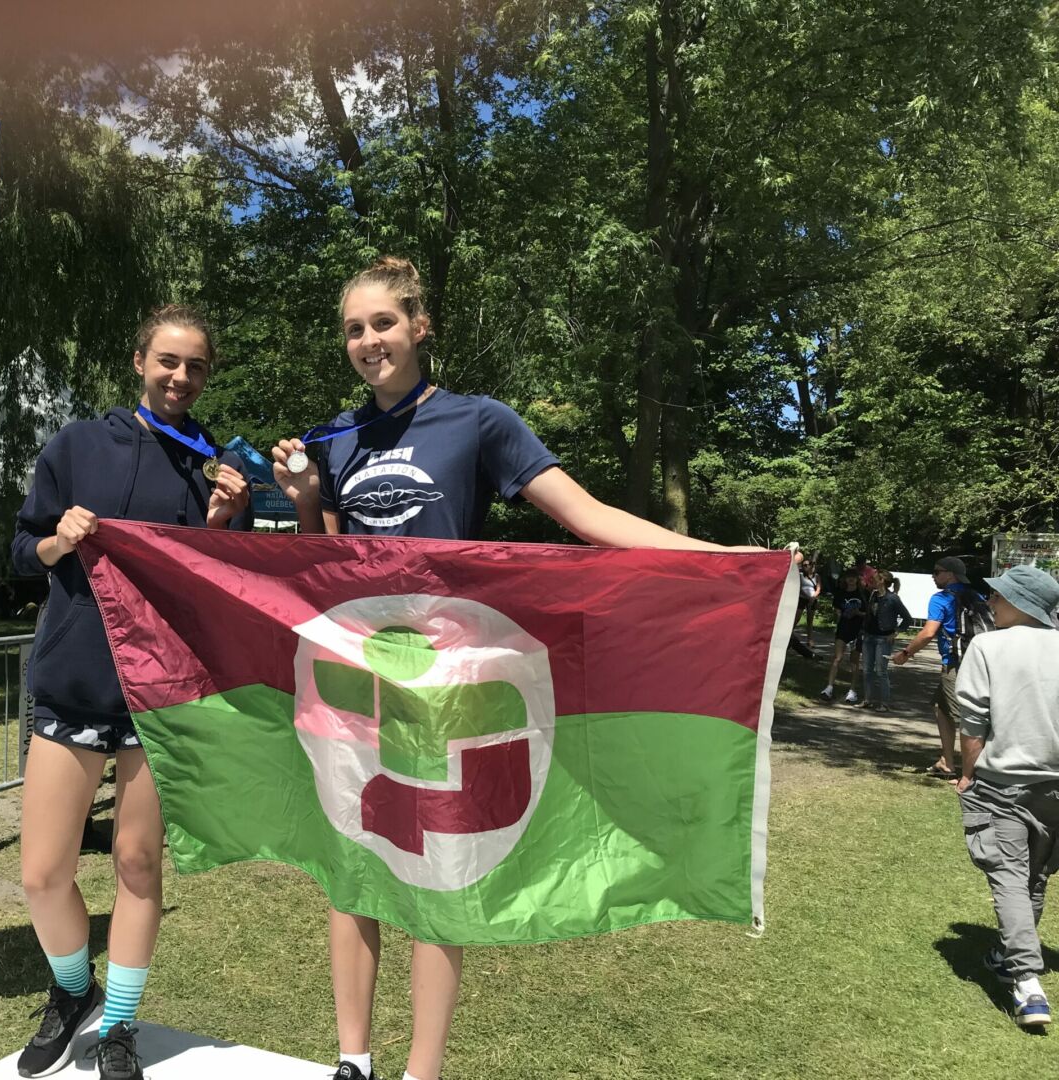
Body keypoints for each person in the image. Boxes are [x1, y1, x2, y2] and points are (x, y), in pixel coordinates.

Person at [270, 255, 775, 1080]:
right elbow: (326, 568)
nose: (369, 341)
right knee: (352, 869)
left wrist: (724, 560)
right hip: (356, 683)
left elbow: (587, 517)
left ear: (420, 328)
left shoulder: (478, 421)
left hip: (449, 687)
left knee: (439, 877)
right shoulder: (336, 435)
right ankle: (351, 1061)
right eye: (355, 329)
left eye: (384, 324)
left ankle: (420, 1071)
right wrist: (301, 497)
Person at [11, 305, 252, 1079]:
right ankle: (74, 989)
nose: (181, 378)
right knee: (42, 874)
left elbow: (215, 582)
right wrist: (61, 540)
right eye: (168, 362)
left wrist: (224, 522)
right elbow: (25, 548)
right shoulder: (77, 444)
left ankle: (120, 1024)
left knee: (139, 865)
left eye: (196, 367)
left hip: (160, 694)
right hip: (75, 685)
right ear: (140, 361)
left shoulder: (210, 462)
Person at [953, 565, 1059, 1027]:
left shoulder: (988, 646)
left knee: (1009, 877)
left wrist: (966, 772)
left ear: (1021, 604)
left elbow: (973, 721)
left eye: (998, 597)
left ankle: (1027, 983)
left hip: (1002, 783)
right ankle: (1009, 954)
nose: (991, 604)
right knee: (1034, 878)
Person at [892, 556, 973, 780]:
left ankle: (972, 772)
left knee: (964, 716)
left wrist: (906, 653)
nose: (933, 576)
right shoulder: (977, 596)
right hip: (976, 660)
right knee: (940, 706)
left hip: (954, 663)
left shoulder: (941, 598)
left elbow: (928, 632)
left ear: (950, 574)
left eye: (937, 572)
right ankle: (947, 761)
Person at [859, 570, 908, 711]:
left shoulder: (893, 598)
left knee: (881, 671)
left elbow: (907, 618)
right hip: (869, 636)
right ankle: (867, 699)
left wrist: (895, 632)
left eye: (875, 579)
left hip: (883, 638)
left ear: (882, 581)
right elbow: (870, 615)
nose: (872, 581)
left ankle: (884, 703)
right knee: (867, 670)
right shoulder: (873, 595)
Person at [820, 568, 865, 703]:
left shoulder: (863, 594)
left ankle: (852, 691)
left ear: (857, 579)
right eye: (848, 577)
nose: (851, 580)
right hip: (843, 628)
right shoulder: (840, 593)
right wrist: (839, 614)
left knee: (854, 661)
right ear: (845, 579)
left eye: (853, 577)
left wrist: (857, 613)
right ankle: (829, 687)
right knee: (837, 658)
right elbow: (837, 609)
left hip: (857, 630)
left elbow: (868, 613)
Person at [797, 558, 822, 647]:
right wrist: (808, 597)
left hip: (812, 599)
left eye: (808, 564)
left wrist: (813, 597)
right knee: (797, 617)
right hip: (802, 598)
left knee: (810, 620)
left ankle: (810, 639)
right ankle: (789, 636)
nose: (806, 567)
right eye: (804, 565)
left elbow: (818, 588)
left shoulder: (817, 576)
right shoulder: (800, 575)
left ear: (812, 566)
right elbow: (799, 587)